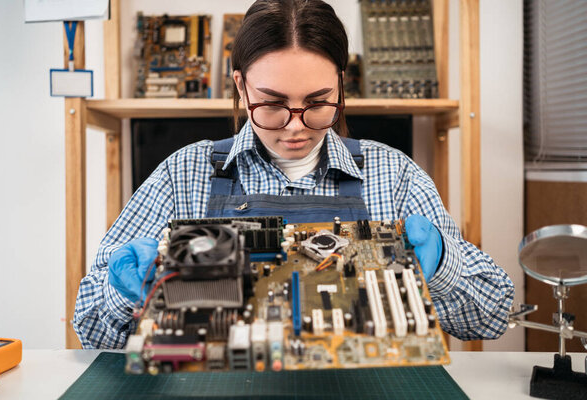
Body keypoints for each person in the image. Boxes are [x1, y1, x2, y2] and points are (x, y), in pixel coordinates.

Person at [73, 0, 514, 349]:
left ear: (342, 85)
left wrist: (441, 267)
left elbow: (493, 314)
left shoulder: (395, 175)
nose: (296, 125)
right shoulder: (183, 174)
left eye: (319, 101)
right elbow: (89, 326)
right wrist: (126, 293)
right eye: (272, 103)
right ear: (241, 87)